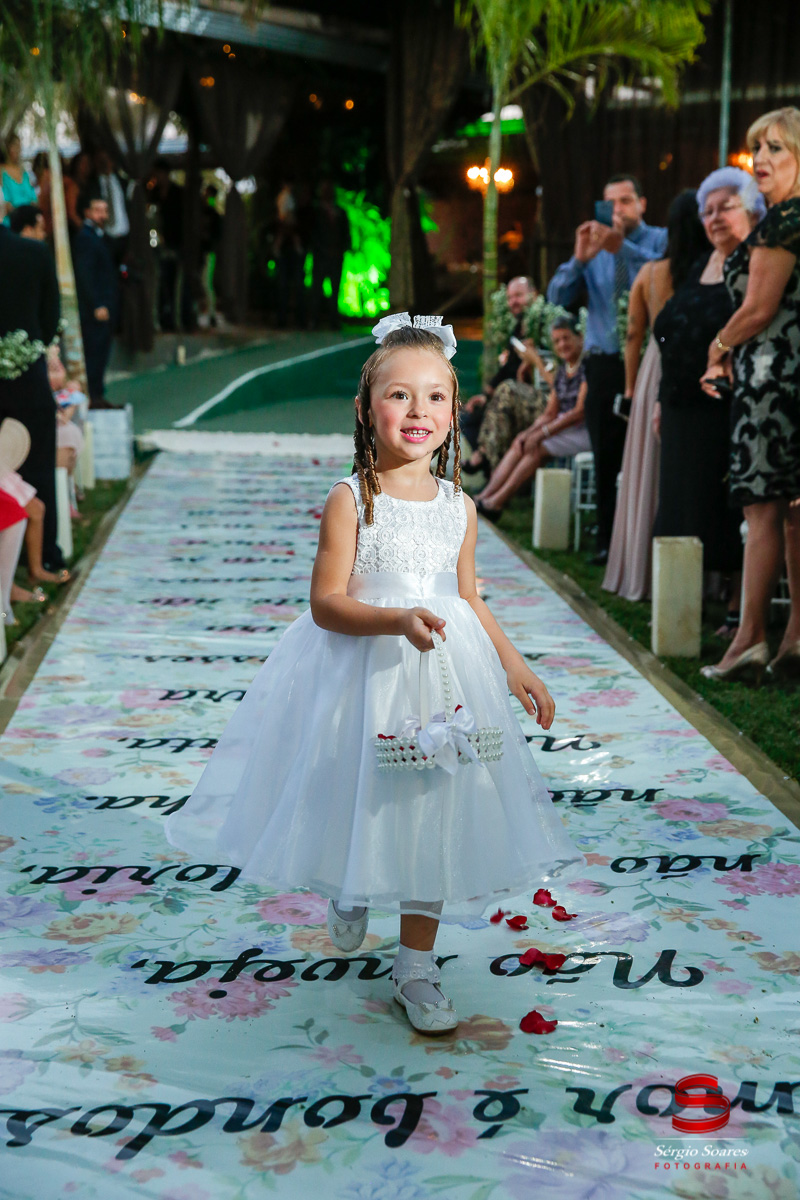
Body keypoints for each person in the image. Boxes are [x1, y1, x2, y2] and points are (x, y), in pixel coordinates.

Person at [165, 314, 585, 1034]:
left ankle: (416, 969)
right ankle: (352, 881)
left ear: (456, 413)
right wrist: (393, 621)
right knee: (357, 790)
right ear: (366, 408)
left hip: (448, 675)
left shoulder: (459, 505)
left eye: (435, 398)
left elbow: (469, 595)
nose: (418, 412)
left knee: (436, 807)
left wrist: (515, 666)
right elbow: (327, 604)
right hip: (366, 672)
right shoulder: (352, 498)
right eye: (399, 396)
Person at [701, 107, 800, 686]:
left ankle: (748, 640)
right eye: (755, 149)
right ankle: (791, 642)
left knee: (763, 511)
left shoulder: (785, 221)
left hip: (770, 381)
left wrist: (717, 348)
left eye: (776, 149)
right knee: (791, 517)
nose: (759, 160)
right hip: (787, 378)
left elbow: (758, 309)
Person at [651, 178, 764, 633]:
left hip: (726, 407)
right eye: (708, 210)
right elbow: (671, 336)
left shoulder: (756, 262)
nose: (715, 218)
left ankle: (738, 609)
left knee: (724, 506)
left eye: (725, 207)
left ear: (750, 209)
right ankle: (683, 605)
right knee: (682, 505)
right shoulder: (701, 263)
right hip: (680, 407)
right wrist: (661, 400)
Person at [548, 176, 667, 564]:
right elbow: (557, 298)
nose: (618, 209)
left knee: (650, 452)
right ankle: (607, 540)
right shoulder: (593, 250)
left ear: (642, 204)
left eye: (626, 201)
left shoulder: (658, 241)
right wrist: (580, 259)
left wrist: (624, 249)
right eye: (611, 203)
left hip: (649, 361)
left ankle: (646, 538)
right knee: (606, 453)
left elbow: (663, 276)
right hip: (602, 364)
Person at [603, 190, 713, 601]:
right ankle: (707, 576)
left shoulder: (650, 274)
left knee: (648, 466)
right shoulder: (713, 273)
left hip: (657, 368)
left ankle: (646, 569)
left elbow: (634, 334)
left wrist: (632, 389)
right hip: (703, 366)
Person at [0, 214, 67, 577]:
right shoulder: (35, 252)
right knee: (38, 463)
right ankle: (43, 555)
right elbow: (51, 315)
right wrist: (26, 348)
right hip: (27, 376)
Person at [474, 316, 589, 520]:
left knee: (537, 447)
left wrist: (541, 434)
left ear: (580, 337)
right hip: (563, 426)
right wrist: (528, 434)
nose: (562, 344)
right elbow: (550, 413)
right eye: (557, 341)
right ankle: (486, 495)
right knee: (521, 442)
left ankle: (496, 502)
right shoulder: (563, 369)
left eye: (566, 338)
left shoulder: (587, 367)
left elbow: (578, 412)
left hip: (582, 429)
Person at [461, 276, 538, 471]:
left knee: (496, 404)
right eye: (510, 297)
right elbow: (509, 367)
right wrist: (486, 394)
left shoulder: (541, 325)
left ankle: (484, 458)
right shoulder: (517, 327)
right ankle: (487, 472)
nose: (514, 302)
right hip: (508, 393)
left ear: (534, 295)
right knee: (469, 417)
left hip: (530, 396)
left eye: (519, 296)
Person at [73, 194, 118, 408]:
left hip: (102, 305)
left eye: (105, 210)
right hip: (94, 309)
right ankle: (93, 395)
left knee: (100, 351)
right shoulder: (85, 238)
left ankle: (97, 394)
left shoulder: (98, 236)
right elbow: (85, 275)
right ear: (88, 213)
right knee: (94, 351)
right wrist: (97, 303)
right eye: (98, 210)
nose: (102, 215)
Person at [308, 180, 350, 330]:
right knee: (316, 289)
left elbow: (346, 234)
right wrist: (322, 250)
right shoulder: (316, 212)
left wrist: (341, 250)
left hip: (336, 257)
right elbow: (313, 235)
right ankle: (313, 320)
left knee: (335, 290)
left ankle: (334, 321)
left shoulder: (341, 212)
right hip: (321, 257)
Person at [93, 149, 129, 264]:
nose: (104, 163)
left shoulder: (123, 181)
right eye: (101, 161)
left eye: (106, 160)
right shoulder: (94, 185)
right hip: (105, 238)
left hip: (125, 237)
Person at [1, 134, 38, 220]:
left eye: (19, 145)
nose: (18, 149)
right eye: (14, 146)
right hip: (13, 220)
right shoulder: (2, 171)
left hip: (28, 218)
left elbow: (33, 197)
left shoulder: (24, 172)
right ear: (7, 148)